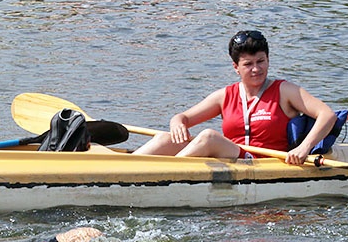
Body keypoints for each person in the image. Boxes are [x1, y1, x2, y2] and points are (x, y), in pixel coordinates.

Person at [133, 30, 337, 165]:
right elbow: (183, 118)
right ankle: (121, 170)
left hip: (261, 162)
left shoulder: (284, 91)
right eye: (248, 64)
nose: (256, 69)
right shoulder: (225, 96)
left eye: (261, 61)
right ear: (236, 67)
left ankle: (168, 175)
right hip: (233, 157)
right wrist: (176, 121)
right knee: (165, 138)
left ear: (268, 60)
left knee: (209, 136)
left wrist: (304, 148)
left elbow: (327, 115)